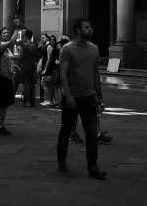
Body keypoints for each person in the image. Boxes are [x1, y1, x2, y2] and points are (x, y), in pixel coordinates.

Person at [56, 18, 106, 180]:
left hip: (89, 97)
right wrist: (68, 95)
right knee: (66, 130)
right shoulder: (67, 49)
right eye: (86, 27)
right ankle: (61, 159)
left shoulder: (94, 49)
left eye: (90, 27)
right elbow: (63, 74)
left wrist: (99, 96)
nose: (90, 30)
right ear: (78, 30)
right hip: (73, 97)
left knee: (91, 133)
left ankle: (93, 166)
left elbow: (96, 75)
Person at [16, 28, 40, 107]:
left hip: (24, 66)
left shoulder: (24, 46)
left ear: (25, 37)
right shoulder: (35, 45)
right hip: (32, 66)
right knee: (32, 84)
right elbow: (37, 57)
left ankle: (27, 102)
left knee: (26, 84)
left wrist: (15, 56)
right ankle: (33, 102)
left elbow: (20, 56)